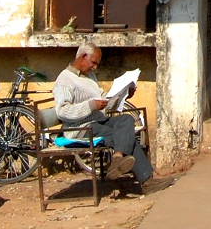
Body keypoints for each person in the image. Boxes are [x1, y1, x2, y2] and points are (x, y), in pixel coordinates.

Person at [53, 43, 167, 192]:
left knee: (126, 120)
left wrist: (123, 95)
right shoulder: (64, 80)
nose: (95, 68)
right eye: (93, 63)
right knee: (123, 136)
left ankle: (118, 157)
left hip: (99, 121)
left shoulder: (89, 76)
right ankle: (146, 180)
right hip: (81, 128)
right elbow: (62, 111)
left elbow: (104, 102)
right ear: (83, 57)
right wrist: (91, 105)